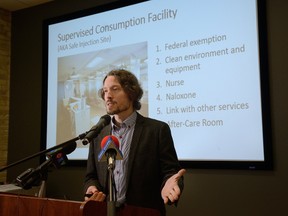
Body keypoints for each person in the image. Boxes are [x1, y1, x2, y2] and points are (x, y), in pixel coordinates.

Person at [83, 69, 185, 215]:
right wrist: (92, 188)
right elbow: (90, 176)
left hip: (142, 212)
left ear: (131, 93)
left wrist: (170, 184)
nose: (108, 96)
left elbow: (170, 172)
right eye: (105, 91)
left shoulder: (157, 130)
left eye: (114, 89)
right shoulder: (99, 133)